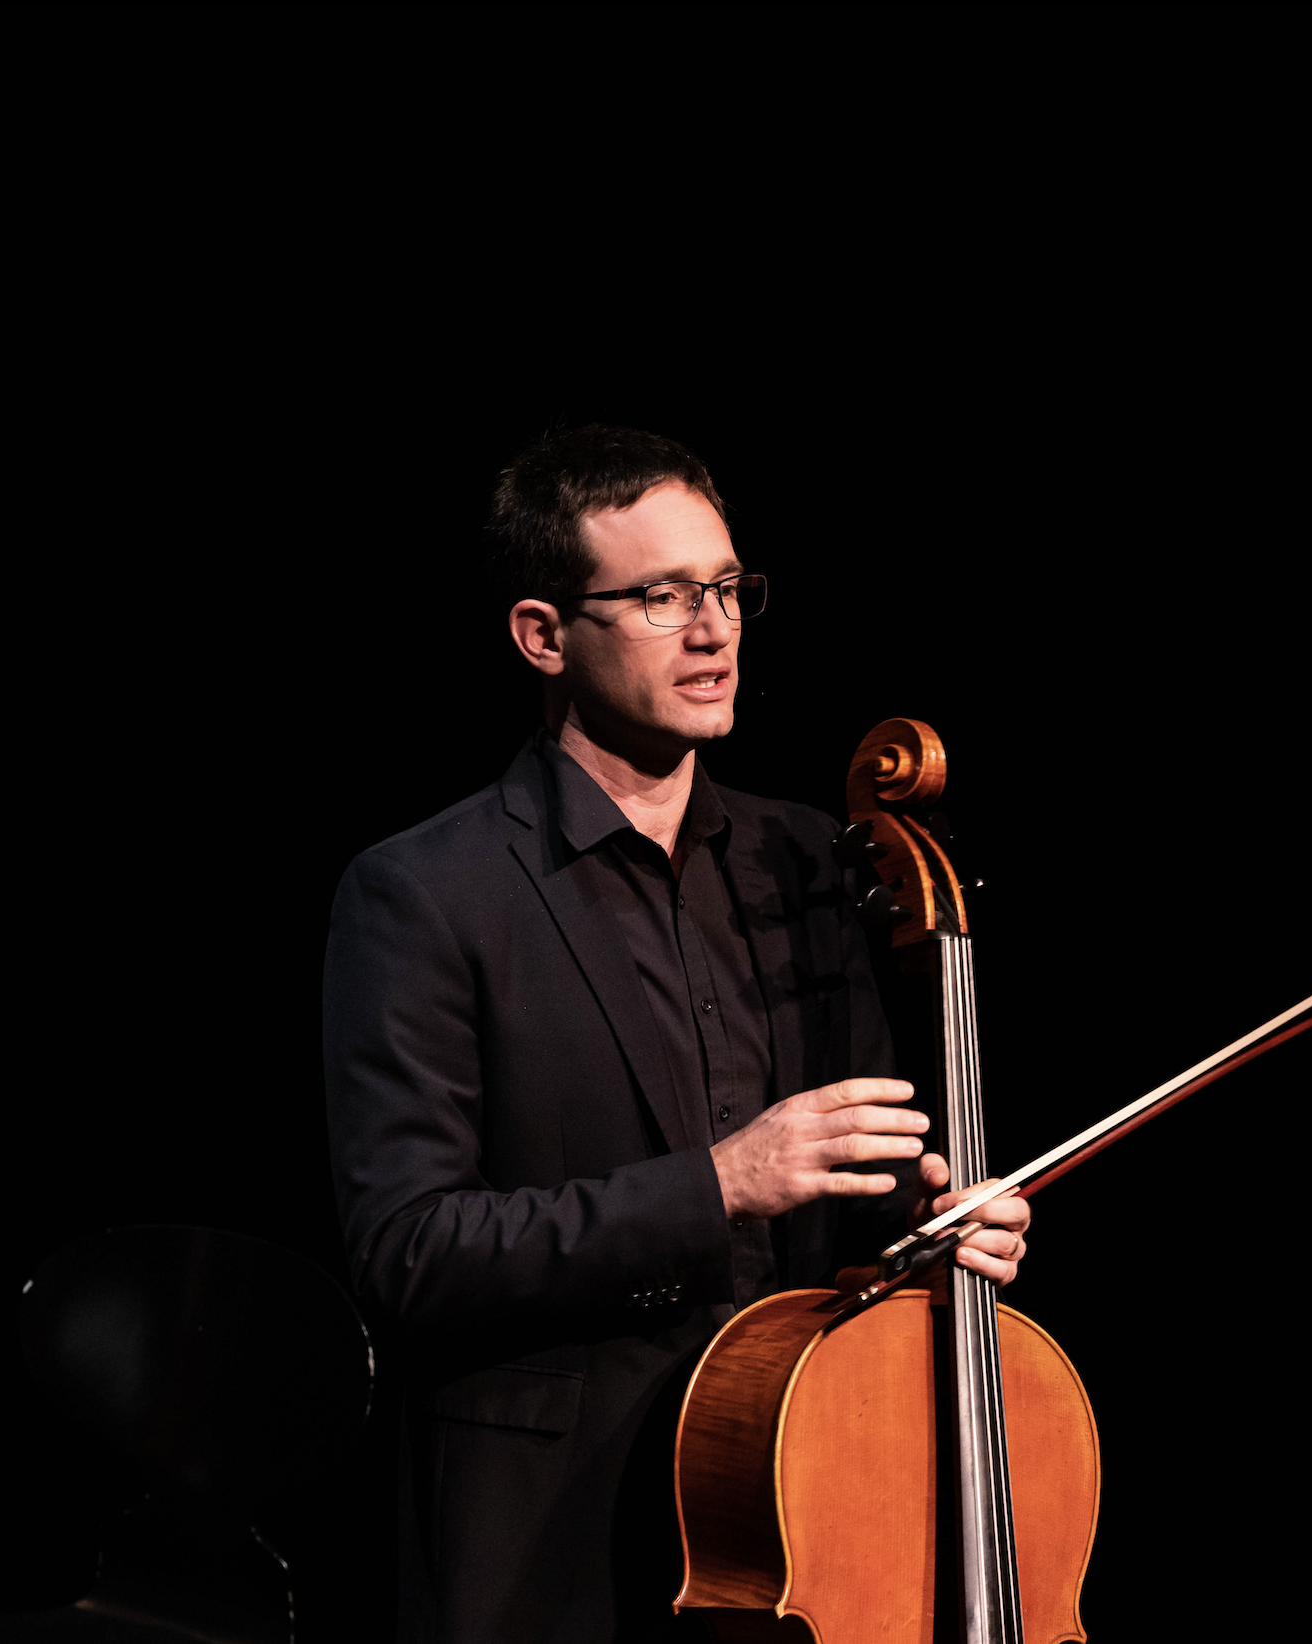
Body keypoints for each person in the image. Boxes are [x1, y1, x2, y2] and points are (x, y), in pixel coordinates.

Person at [322, 426, 1030, 1643]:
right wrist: (719, 1185)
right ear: (544, 635)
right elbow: (410, 1253)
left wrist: (927, 1225)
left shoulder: (808, 862)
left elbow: (853, 1199)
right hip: (553, 1536)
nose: (712, 631)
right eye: (657, 597)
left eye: (724, 588)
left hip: (792, 1509)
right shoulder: (424, 891)